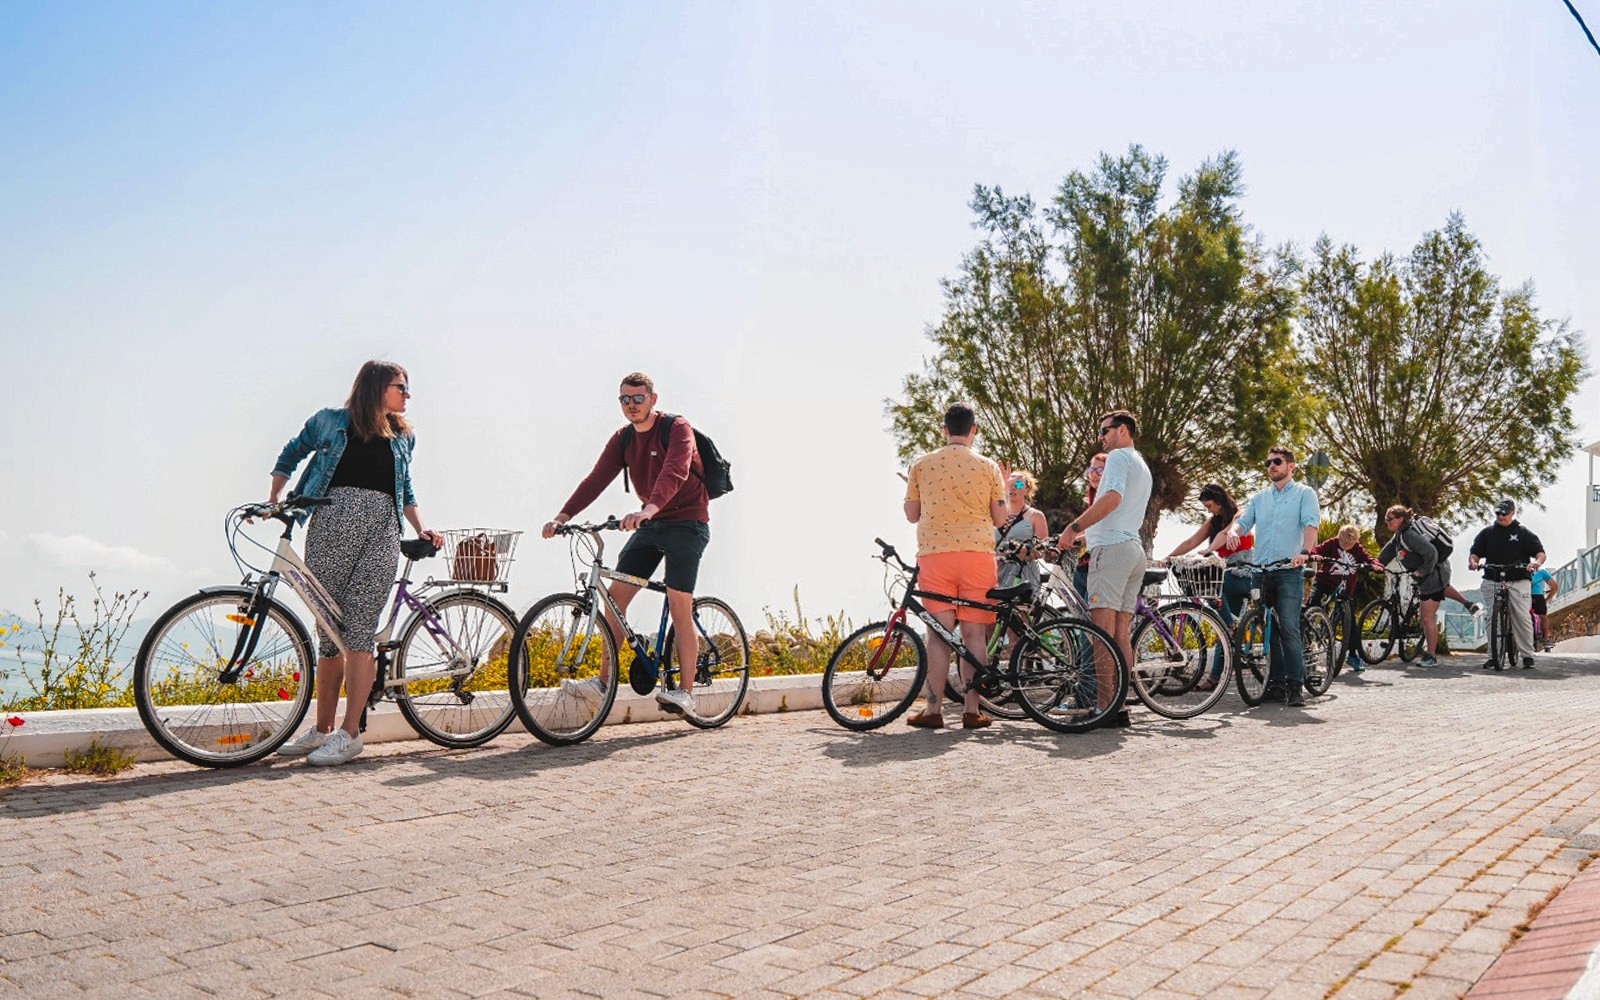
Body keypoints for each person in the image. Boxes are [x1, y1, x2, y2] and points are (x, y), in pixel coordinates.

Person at [272, 361, 444, 766]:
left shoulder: (404, 436)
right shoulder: (329, 422)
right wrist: (275, 497)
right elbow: (291, 452)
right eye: (400, 386)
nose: (407, 394)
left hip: (380, 533)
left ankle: (350, 734)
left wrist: (421, 526)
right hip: (328, 527)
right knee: (328, 632)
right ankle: (323, 730)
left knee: (359, 629)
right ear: (375, 387)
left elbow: (405, 490)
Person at [542, 372, 711, 717]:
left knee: (679, 603)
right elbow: (596, 479)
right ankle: (603, 684)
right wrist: (562, 516)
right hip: (651, 524)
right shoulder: (622, 440)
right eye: (625, 399)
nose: (631, 405)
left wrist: (649, 507)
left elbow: (675, 472)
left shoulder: (677, 428)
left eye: (638, 398)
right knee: (615, 597)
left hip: (688, 522)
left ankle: (687, 692)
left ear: (653, 398)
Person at [902, 402, 1009, 730]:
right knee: (974, 632)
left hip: (936, 554)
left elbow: (911, 514)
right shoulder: (989, 467)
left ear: (944, 429)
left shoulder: (921, 465)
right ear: (973, 429)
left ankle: (933, 711)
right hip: (977, 554)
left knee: (938, 634)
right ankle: (971, 710)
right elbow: (1001, 517)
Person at [1056, 410, 1152, 728]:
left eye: (1105, 430)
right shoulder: (1141, 464)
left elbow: (1111, 498)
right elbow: (1119, 512)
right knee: (1120, 633)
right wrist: (1083, 534)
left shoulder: (1119, 458)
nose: (1101, 437)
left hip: (1110, 553)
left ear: (1122, 430)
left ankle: (1104, 707)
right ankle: (1118, 705)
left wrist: (1074, 526)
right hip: (1132, 550)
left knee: (1101, 634)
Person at [1223, 446, 1319, 706]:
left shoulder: (1304, 494)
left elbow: (1311, 524)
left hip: (1289, 570)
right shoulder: (1259, 498)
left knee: (1288, 627)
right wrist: (1234, 532)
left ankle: (1296, 686)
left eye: (1277, 461)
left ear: (1291, 466)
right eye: (1268, 463)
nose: (1271, 466)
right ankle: (1276, 684)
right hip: (1260, 572)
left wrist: (1304, 552)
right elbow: (1243, 522)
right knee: (1268, 628)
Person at [1166, 483, 1253, 690]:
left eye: (1210, 505)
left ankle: (1231, 628)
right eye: (1206, 507)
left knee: (1212, 589)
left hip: (1242, 572)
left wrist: (1209, 550)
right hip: (1225, 573)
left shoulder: (1240, 514)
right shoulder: (1212, 522)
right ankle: (1214, 678)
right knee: (1221, 629)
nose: (1209, 510)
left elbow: (1227, 533)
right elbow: (1190, 542)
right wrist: (1169, 557)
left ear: (1220, 501)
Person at [1468, 499, 1547, 670]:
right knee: (1491, 617)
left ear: (1513, 513)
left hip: (1518, 579)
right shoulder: (1487, 533)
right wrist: (1473, 562)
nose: (1501, 517)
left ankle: (1527, 655)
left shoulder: (1523, 532)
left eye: (1504, 513)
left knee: (1521, 615)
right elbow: (1475, 553)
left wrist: (1536, 563)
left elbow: (1540, 553)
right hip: (1492, 578)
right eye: (1498, 513)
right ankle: (1493, 655)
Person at [1377, 508, 1452, 667]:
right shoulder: (1399, 536)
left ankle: (1431, 656)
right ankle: (1467, 603)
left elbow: (1431, 552)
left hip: (1433, 576)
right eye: (1385, 519)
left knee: (1427, 617)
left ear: (1401, 519)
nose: (1386, 522)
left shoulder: (1409, 535)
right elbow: (1387, 553)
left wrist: (1423, 570)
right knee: (1423, 614)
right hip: (1425, 577)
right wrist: (1375, 565)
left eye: (1389, 518)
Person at [1308, 525, 1383, 673]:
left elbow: (1368, 558)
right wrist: (1313, 555)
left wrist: (1375, 565)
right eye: (1343, 545)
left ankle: (1353, 656)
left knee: (1351, 624)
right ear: (1338, 538)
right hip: (1325, 583)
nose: (1347, 548)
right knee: (1313, 603)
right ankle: (1308, 635)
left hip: (1345, 590)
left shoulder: (1357, 549)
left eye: (1350, 545)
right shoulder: (1331, 543)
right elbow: (1316, 550)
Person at [995, 469, 1050, 593]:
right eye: (1009, 483)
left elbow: (1044, 549)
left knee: (1021, 611)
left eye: (1018, 484)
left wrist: (1023, 551)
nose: (1013, 487)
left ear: (1027, 490)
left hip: (1022, 575)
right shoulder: (996, 513)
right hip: (994, 573)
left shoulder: (1036, 516)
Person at [1070, 454, 1108, 600]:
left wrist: (1072, 540)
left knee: (1089, 619)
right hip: (1084, 565)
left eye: (1100, 470)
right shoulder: (1094, 502)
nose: (1094, 475)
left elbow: (1100, 534)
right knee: (1078, 617)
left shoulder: (1111, 501)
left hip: (1100, 567)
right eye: (1091, 470)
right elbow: (1087, 531)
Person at [1530, 564, 1559, 651]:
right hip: (1537, 596)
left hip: (1522, 596)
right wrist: (1547, 599)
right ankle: (1547, 640)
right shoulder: (1541, 572)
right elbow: (1554, 587)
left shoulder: (1519, 572)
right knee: (1543, 616)